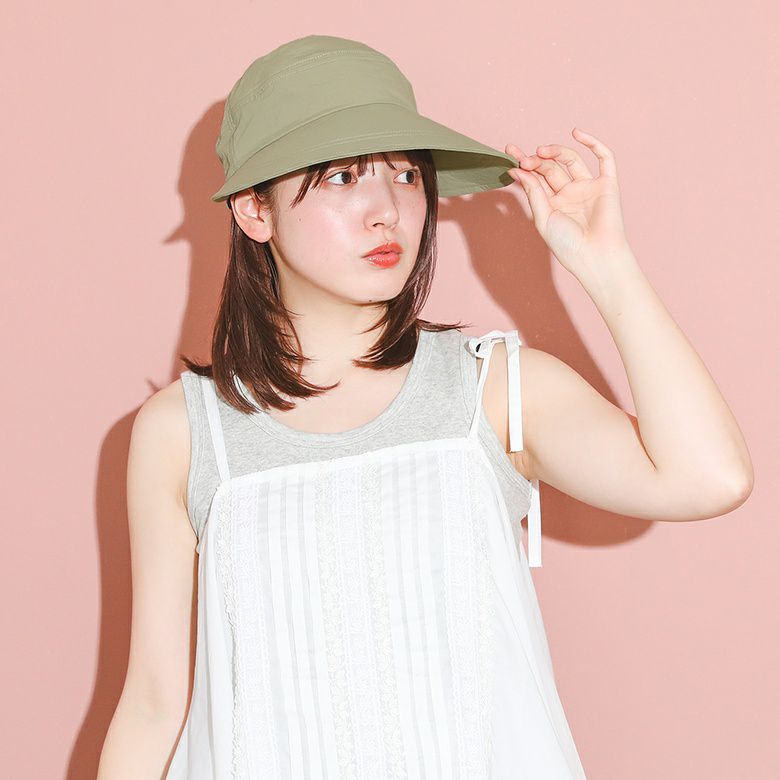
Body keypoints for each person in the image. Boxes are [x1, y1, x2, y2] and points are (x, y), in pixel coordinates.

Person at [98, 35, 753, 779]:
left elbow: (709, 478)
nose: (387, 210)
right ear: (255, 210)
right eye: (343, 175)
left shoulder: (495, 391)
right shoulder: (184, 431)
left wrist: (607, 267)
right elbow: (153, 703)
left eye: (406, 173)